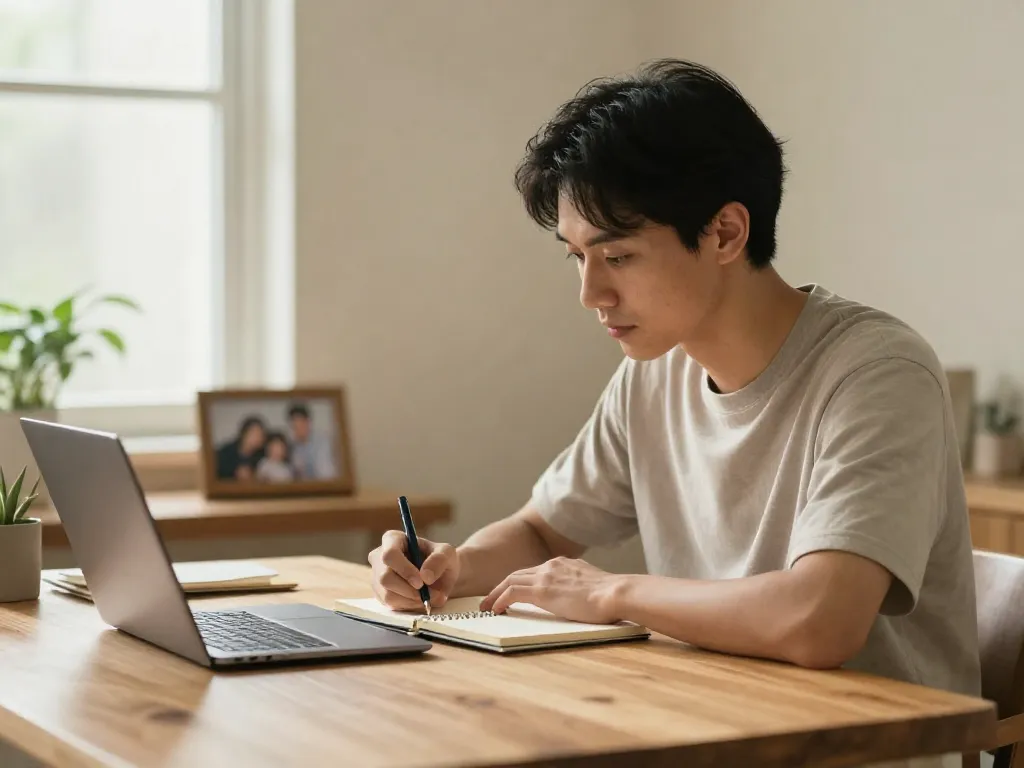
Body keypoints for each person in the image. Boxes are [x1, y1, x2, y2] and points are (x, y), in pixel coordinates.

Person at [368, 58, 981, 765]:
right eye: (575, 257)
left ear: (724, 233)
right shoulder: (653, 372)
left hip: (855, 748)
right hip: (707, 725)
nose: (591, 293)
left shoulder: (877, 371)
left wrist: (613, 592)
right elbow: (545, 531)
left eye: (618, 256)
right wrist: (450, 566)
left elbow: (820, 620)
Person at [287, 403, 336, 480]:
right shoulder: (294, 447)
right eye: (295, 427)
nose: (298, 430)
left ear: (308, 422)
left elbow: (326, 473)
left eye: (301, 425)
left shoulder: (322, 441)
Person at [214, 416, 267, 481]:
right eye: (254, 433)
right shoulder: (225, 453)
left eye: (260, 435)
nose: (257, 438)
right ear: (243, 434)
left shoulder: (263, 454)